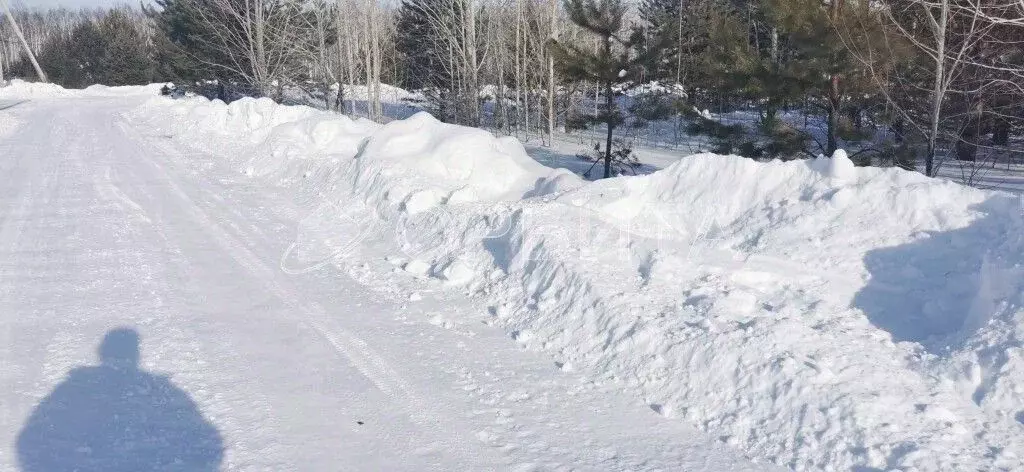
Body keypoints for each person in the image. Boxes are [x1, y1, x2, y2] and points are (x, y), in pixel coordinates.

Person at [17, 328, 223, 472]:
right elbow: (206, 441)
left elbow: (31, 441)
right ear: (136, 355)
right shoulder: (160, 391)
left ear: (101, 354)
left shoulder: (72, 390)